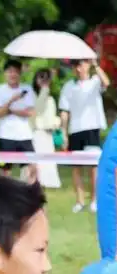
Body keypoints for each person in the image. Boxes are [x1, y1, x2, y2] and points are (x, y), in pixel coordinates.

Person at [59, 59, 110, 213]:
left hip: (92, 128)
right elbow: (64, 111)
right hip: (75, 130)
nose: (78, 69)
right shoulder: (68, 86)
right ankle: (80, 201)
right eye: (75, 66)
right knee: (76, 167)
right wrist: (63, 132)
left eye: (81, 65)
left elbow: (106, 83)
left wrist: (96, 65)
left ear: (87, 66)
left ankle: (94, 200)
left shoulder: (95, 82)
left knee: (93, 167)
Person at [0, 59, 36, 180]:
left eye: (16, 71)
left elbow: (31, 112)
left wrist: (11, 111)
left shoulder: (27, 89)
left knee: (31, 168)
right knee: (5, 170)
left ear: (20, 74)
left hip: (25, 135)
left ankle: (27, 195)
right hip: (5, 135)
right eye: (9, 71)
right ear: (5, 73)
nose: (12, 74)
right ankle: (5, 196)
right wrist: (12, 101)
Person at [30, 68, 62, 188]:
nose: (43, 80)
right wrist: (44, 89)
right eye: (41, 77)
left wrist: (56, 123)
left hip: (48, 136)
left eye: (46, 77)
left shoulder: (51, 99)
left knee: (47, 165)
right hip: (37, 135)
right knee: (37, 167)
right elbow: (37, 111)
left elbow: (51, 117)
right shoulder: (32, 96)